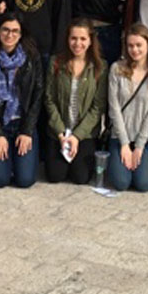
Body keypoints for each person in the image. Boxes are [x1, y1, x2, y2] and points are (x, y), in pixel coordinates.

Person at [0, 12, 42, 188]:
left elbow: (37, 95)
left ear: (21, 34)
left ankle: (17, 160)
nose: (10, 35)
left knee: (25, 180)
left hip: (22, 124)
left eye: (15, 31)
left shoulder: (31, 57)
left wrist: (27, 131)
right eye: (5, 30)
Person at [43, 20, 107, 185]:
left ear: (90, 40)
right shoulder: (56, 62)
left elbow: (98, 107)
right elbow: (49, 99)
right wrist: (60, 133)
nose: (78, 43)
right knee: (55, 175)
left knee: (81, 178)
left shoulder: (100, 67)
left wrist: (77, 136)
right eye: (73, 38)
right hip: (59, 131)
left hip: (84, 133)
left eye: (83, 39)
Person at [107, 23, 148, 192]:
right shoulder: (117, 69)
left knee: (143, 184)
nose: (135, 50)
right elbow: (114, 108)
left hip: (146, 137)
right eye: (130, 45)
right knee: (121, 183)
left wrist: (139, 146)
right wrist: (124, 144)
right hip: (120, 134)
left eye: (139, 45)